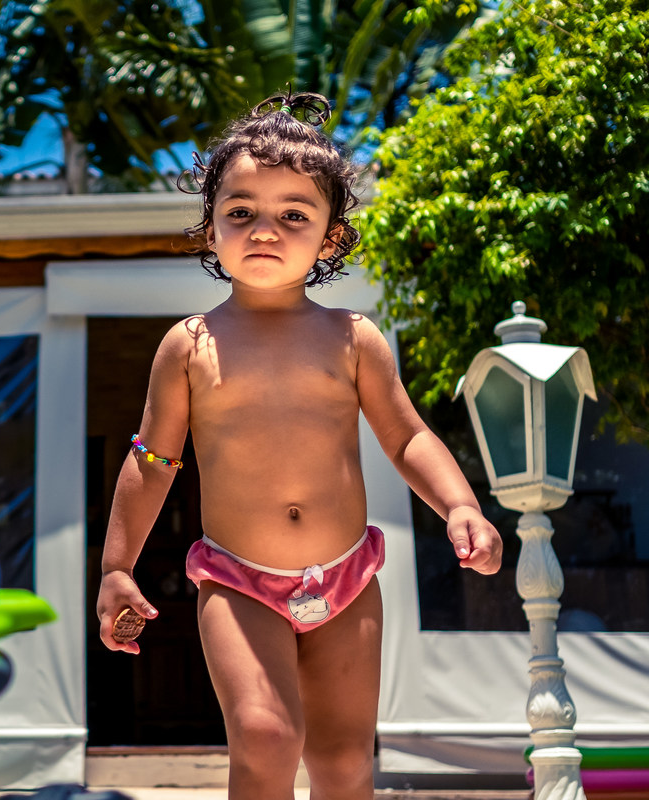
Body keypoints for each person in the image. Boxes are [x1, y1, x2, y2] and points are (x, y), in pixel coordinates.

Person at [94, 90, 502, 800]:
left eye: (294, 214)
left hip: (346, 581)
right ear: (210, 227)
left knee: (345, 765)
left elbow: (406, 437)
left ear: (331, 240)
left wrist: (460, 505)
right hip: (237, 579)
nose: (264, 229)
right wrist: (116, 566)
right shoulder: (189, 345)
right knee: (265, 736)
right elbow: (153, 463)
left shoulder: (353, 339)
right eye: (242, 210)